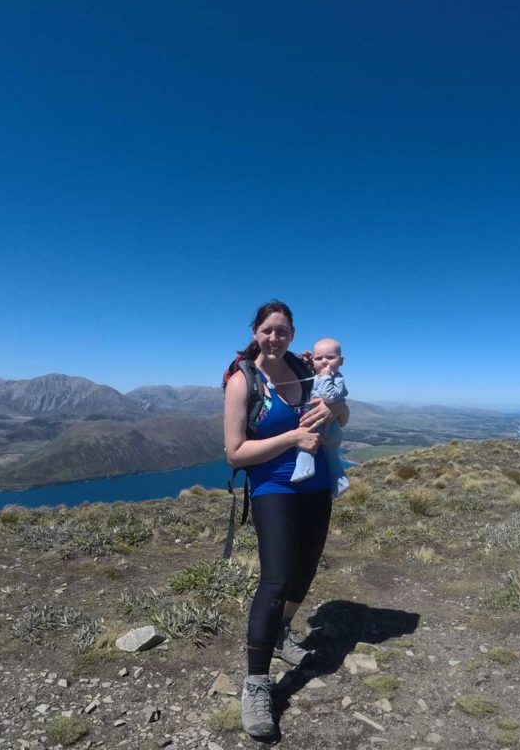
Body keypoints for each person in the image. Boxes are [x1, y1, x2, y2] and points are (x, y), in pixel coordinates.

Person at [223, 300, 349, 739]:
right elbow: (236, 453)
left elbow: (344, 416)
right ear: (255, 331)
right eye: (268, 330)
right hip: (272, 486)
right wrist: (292, 435)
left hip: (314, 485)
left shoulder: (304, 369)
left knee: (305, 571)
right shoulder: (244, 381)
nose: (275, 338)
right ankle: (256, 683)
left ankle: (282, 635)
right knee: (276, 580)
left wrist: (333, 413)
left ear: (293, 334)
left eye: (283, 331)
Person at [291, 337, 349, 497]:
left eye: (330, 357)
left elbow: (330, 397)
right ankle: (340, 482)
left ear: (341, 360)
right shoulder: (317, 375)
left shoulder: (337, 379)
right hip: (322, 423)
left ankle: (304, 468)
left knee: (305, 441)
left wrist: (324, 377)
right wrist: (306, 362)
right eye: (319, 358)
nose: (324, 362)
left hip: (329, 427)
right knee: (332, 458)